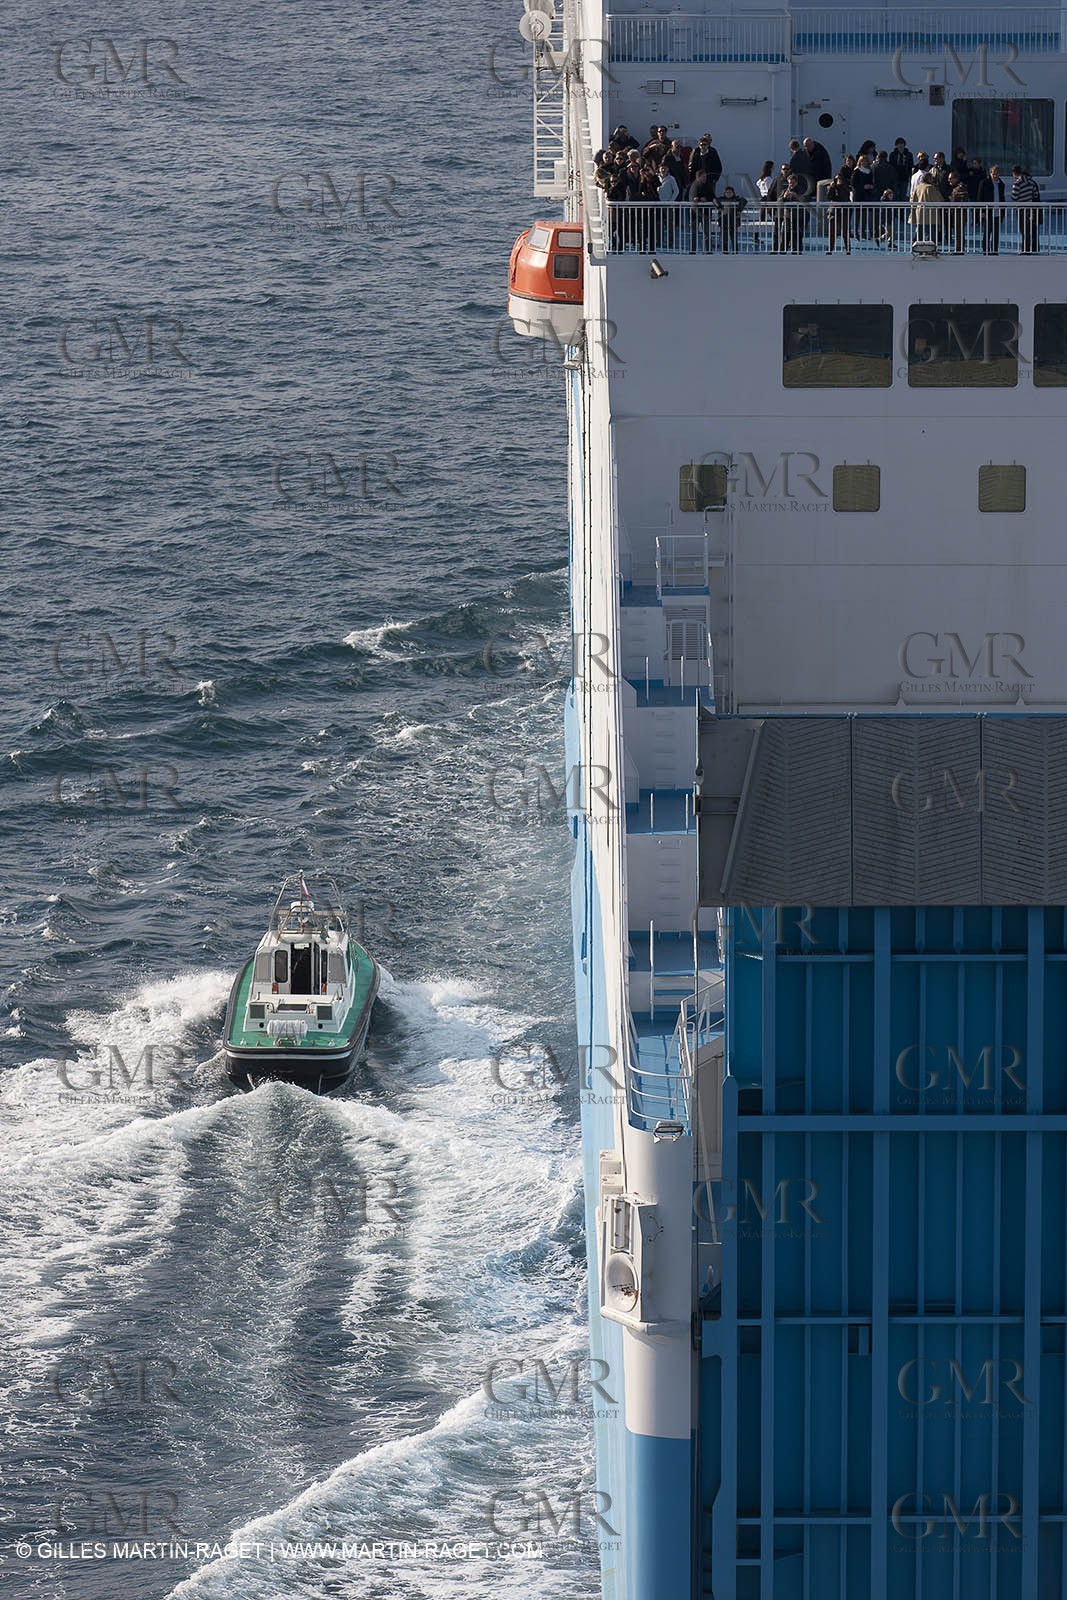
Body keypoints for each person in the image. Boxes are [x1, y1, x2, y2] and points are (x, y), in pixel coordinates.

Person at [1011, 165, 1041, 252]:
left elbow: (1014, 197)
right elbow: (1035, 194)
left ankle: (1025, 249)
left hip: (1021, 209)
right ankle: (1032, 249)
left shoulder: (1017, 183)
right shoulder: (1031, 182)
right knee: (1030, 229)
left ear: (1014, 173)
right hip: (1030, 208)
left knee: (1024, 230)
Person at [688, 166, 718, 252]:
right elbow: (689, 196)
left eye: (706, 176)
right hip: (695, 212)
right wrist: (695, 199)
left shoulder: (708, 186)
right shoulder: (693, 185)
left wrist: (705, 199)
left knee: (707, 233)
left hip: (706, 213)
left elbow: (712, 196)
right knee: (693, 232)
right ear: (698, 177)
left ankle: (708, 250)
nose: (705, 178)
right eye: (703, 176)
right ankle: (692, 250)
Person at [978, 164, 1006, 254]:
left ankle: (995, 250)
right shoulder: (984, 183)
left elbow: (1002, 198)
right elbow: (980, 197)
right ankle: (985, 249)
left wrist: (1002, 211)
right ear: (990, 173)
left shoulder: (1001, 184)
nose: (995, 176)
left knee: (996, 232)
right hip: (988, 211)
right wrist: (982, 211)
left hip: (997, 211)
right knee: (987, 231)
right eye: (993, 174)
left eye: (997, 174)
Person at [850, 152, 875, 238]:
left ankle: (863, 232)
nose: (864, 163)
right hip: (858, 195)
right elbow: (853, 183)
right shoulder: (857, 171)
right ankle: (856, 231)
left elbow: (871, 181)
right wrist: (863, 186)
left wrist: (870, 186)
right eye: (862, 161)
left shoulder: (869, 171)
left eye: (865, 161)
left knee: (864, 214)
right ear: (859, 162)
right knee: (857, 214)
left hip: (867, 195)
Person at [825, 172, 851, 253]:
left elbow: (845, 197)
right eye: (837, 179)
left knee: (845, 232)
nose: (838, 180)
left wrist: (841, 186)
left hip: (843, 211)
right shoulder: (832, 187)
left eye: (840, 179)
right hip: (833, 211)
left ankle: (848, 249)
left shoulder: (846, 187)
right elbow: (829, 197)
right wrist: (832, 188)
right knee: (832, 232)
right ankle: (830, 248)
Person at [716, 185, 746, 252]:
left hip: (733, 222)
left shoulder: (736, 199)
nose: (729, 194)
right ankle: (725, 252)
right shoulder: (721, 199)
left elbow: (743, 200)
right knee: (724, 239)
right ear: (724, 193)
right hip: (724, 222)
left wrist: (739, 210)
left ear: (733, 193)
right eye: (727, 192)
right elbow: (714, 200)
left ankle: (735, 251)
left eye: (730, 192)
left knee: (734, 239)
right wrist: (719, 207)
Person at [949, 179, 969, 253]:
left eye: (951, 179)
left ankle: (959, 249)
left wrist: (952, 200)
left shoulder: (960, 188)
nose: (949, 181)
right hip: (958, 212)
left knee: (959, 231)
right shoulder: (957, 188)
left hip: (960, 212)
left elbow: (962, 199)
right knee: (958, 231)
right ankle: (959, 248)